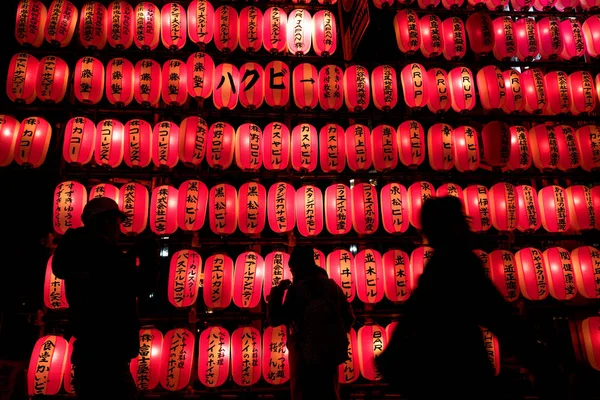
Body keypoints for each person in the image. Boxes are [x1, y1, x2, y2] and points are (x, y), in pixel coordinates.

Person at [376, 196, 567, 400]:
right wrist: (541, 363)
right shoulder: (456, 265)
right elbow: (501, 318)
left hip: (432, 374)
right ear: (454, 226)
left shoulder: (439, 267)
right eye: (461, 221)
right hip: (457, 371)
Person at [52, 197, 159, 400]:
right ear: (106, 222)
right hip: (108, 354)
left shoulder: (80, 250)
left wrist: (134, 252)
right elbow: (139, 284)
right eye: (118, 223)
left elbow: (111, 276)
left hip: (89, 351)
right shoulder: (102, 251)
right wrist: (148, 256)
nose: (120, 230)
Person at [268, 245, 355, 400]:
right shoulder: (332, 286)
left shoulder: (297, 290)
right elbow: (349, 317)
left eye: (292, 269)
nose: (292, 274)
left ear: (297, 266)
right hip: (329, 357)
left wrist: (277, 292)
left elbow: (275, 318)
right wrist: (330, 335)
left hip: (304, 359)